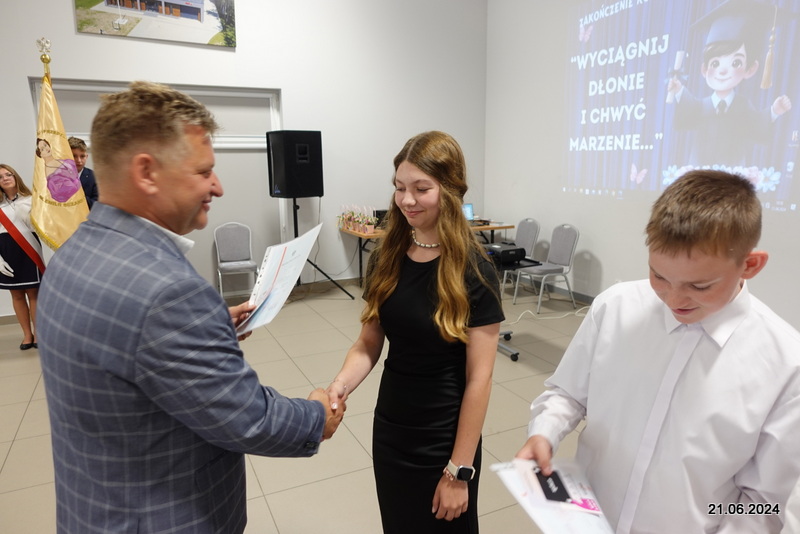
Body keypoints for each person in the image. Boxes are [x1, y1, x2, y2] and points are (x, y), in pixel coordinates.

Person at [37, 81, 345, 534]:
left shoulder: (72, 253)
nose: (217, 186)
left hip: (95, 510)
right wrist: (317, 416)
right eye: (204, 171)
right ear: (147, 172)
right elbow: (249, 418)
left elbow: (121, 345)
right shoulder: (169, 292)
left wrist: (209, 326)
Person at [516, 170, 800, 533]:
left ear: (750, 265)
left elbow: (764, 502)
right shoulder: (616, 308)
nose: (674, 299)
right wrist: (544, 431)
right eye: (659, 276)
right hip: (590, 520)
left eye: (700, 286)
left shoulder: (785, 363)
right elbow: (568, 394)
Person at [326, 131, 504, 533]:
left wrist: (458, 470)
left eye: (421, 189)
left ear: (450, 191)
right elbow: (368, 342)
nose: (407, 200)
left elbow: (480, 378)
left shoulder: (475, 271)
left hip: (444, 438)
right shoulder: (386, 258)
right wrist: (340, 384)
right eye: (399, 188)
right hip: (392, 430)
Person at [667, 0, 792, 167]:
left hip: (732, 176)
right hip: (699, 174)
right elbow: (687, 115)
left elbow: (757, 126)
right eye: (715, 63)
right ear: (704, 69)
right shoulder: (702, 106)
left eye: (736, 63)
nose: (723, 71)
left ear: (750, 69)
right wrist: (679, 91)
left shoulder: (743, 106)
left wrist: (774, 111)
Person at [0, 164, 43, 350]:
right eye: (0, 177)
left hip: (29, 249)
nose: (5, 178)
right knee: (16, 294)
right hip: (6, 250)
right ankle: (27, 335)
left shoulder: (31, 199)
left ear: (15, 176)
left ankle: (38, 334)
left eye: (8, 174)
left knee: (34, 293)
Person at [68, 136, 99, 208]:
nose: (79, 160)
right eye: (74, 156)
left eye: (82, 156)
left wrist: (78, 196)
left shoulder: (94, 177)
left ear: (86, 156)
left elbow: (97, 205)